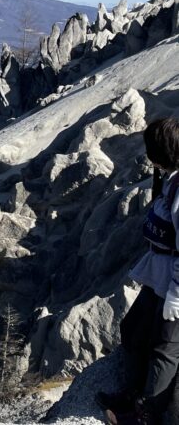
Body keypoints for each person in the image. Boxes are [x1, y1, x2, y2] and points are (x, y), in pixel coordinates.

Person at [96, 117, 179, 425]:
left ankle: (146, 416)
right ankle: (133, 393)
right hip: (158, 275)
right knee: (133, 328)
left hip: (173, 282)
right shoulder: (170, 179)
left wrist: (176, 295)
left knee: (165, 349)